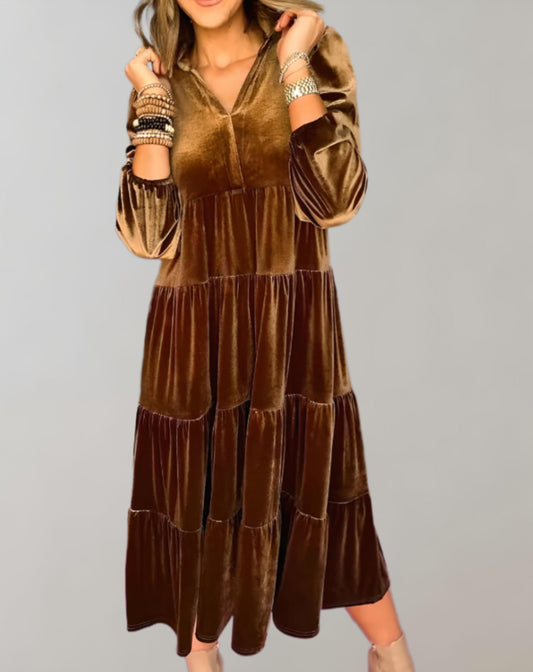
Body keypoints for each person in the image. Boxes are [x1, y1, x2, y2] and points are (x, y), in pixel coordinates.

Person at [115, 1, 416, 670]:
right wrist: (153, 105)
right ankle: (202, 660)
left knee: (321, 501)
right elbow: (147, 235)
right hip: (193, 340)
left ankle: (393, 657)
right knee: (200, 512)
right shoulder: (158, 80)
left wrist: (294, 64)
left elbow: (336, 198)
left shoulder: (310, 52)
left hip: (294, 335)